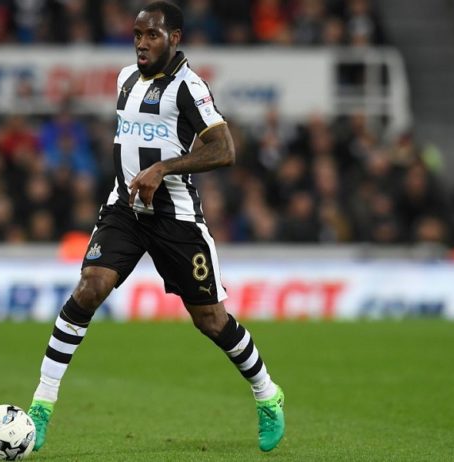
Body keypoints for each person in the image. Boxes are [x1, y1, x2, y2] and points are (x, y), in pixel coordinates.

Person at [27, 1, 285, 453]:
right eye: (138, 34)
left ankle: (267, 394)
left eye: (152, 35)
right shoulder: (126, 78)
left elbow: (224, 149)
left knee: (211, 320)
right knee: (89, 288)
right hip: (124, 210)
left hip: (175, 218)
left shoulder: (189, 87)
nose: (142, 43)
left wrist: (163, 168)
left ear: (175, 38)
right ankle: (41, 407)